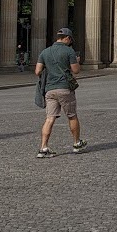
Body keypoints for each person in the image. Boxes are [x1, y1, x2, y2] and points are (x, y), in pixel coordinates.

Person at [35, 26, 86, 155]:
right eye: (70, 40)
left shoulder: (45, 52)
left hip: (49, 90)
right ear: (67, 38)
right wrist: (76, 62)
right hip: (64, 88)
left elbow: (37, 71)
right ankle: (76, 143)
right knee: (72, 116)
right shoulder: (69, 52)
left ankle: (43, 148)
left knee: (49, 118)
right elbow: (76, 70)